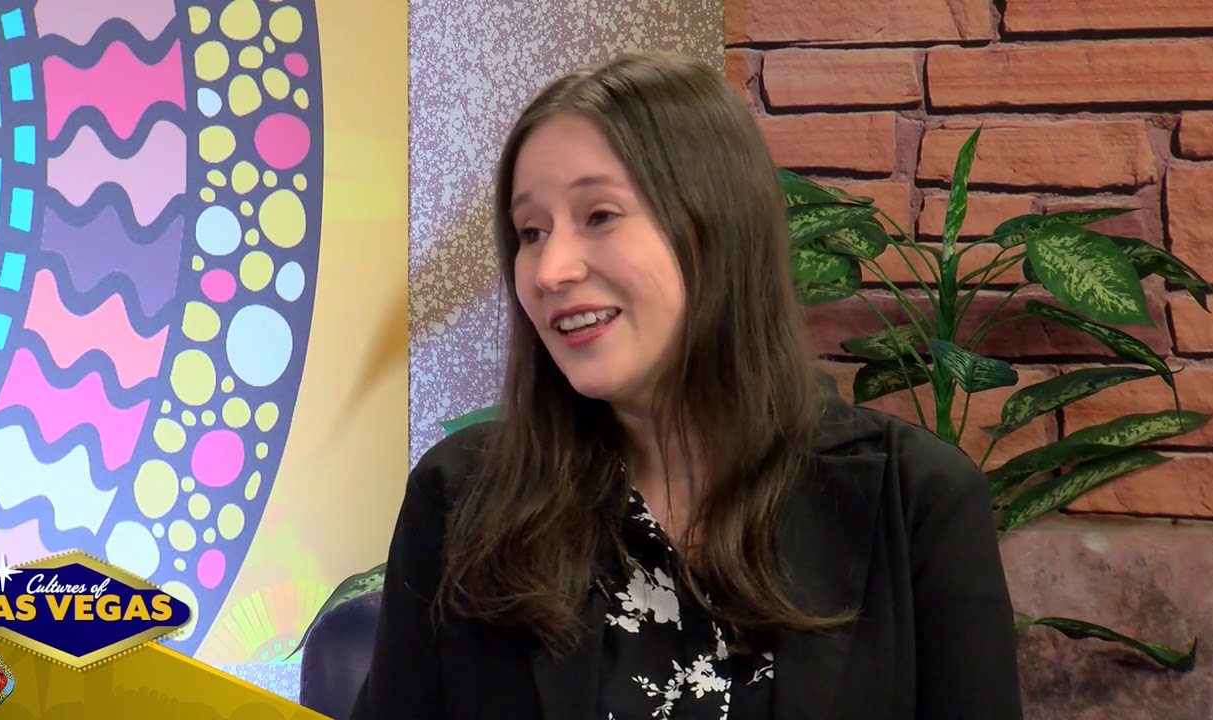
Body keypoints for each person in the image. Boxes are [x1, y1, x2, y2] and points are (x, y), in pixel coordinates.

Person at [352, 51, 1023, 719]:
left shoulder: (917, 501)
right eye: (531, 231)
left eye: (599, 215)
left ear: (715, 227)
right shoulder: (461, 499)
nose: (549, 270)